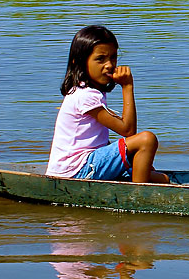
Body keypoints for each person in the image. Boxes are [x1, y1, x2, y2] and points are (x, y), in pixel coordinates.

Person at [46, 25, 168, 184]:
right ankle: (138, 196)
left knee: (161, 178)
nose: (109, 65)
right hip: (75, 171)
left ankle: (141, 185)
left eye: (113, 57)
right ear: (81, 63)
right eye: (100, 59)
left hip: (82, 167)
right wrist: (127, 87)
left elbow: (101, 141)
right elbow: (128, 130)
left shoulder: (88, 92)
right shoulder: (85, 96)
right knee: (146, 140)